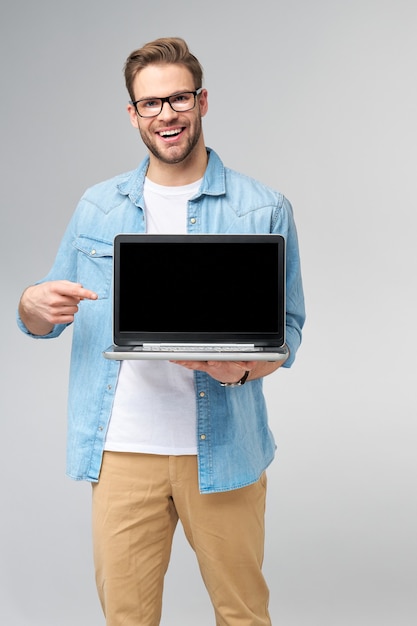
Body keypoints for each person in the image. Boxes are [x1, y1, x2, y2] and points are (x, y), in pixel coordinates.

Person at [17, 37, 305, 626]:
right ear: (133, 114)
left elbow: (290, 329)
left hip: (224, 450)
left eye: (178, 99)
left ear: (201, 101)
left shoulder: (262, 207)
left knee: (243, 614)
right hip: (121, 452)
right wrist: (29, 305)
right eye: (150, 104)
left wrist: (245, 368)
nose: (166, 115)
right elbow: (42, 319)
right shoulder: (96, 207)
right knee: (126, 618)